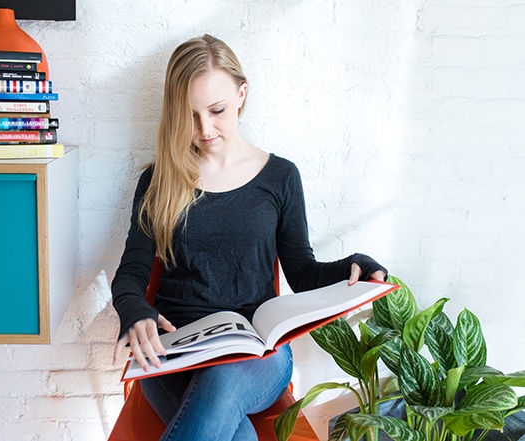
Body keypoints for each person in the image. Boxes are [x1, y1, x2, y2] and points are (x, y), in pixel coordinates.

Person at [111, 34, 387, 441]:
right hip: (175, 350)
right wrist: (134, 310)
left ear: (242, 94)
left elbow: (302, 270)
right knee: (237, 434)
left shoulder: (280, 177)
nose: (205, 129)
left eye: (217, 110)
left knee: (223, 383)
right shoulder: (159, 181)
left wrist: (354, 266)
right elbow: (131, 272)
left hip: (259, 355)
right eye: (190, 115)